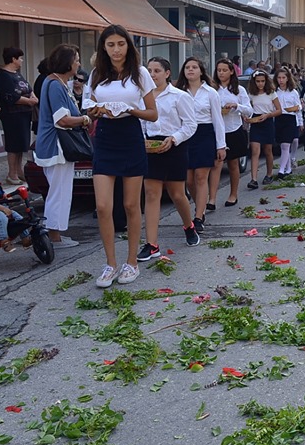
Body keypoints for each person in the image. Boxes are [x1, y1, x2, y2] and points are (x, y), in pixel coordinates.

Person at [85, 25, 158, 288]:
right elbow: (89, 105)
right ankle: (110, 264)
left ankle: (132, 262)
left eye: (120, 44)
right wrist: (96, 111)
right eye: (110, 45)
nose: (116, 50)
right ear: (103, 48)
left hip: (130, 134)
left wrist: (131, 110)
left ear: (129, 45)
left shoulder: (140, 74)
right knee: (103, 206)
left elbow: (153, 113)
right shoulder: (97, 74)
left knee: (130, 204)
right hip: (104, 135)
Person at [140, 57, 200, 262]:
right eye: (149, 70)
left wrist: (174, 139)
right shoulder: (142, 97)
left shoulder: (179, 96)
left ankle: (189, 226)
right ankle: (152, 244)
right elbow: (139, 122)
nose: (152, 74)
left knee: (177, 194)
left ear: (167, 73)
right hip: (150, 147)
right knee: (151, 193)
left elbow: (191, 125)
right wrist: (142, 141)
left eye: (157, 70)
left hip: (174, 145)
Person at [36, 43, 89, 248]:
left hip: (55, 147)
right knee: (59, 192)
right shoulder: (56, 85)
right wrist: (84, 120)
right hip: (56, 147)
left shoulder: (57, 83)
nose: (78, 64)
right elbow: (62, 120)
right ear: (67, 63)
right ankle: (54, 236)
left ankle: (54, 233)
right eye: (76, 59)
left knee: (60, 191)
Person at [175, 57, 226, 232]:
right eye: (187, 67)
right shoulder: (179, 91)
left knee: (200, 177)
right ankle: (200, 206)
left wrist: (221, 145)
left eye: (194, 67)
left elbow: (218, 120)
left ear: (201, 71)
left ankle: (198, 216)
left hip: (205, 134)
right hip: (185, 135)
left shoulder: (211, 92)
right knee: (188, 180)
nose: (190, 70)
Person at [0, 46, 38, 185]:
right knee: (13, 144)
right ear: (13, 59)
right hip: (12, 114)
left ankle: (19, 171)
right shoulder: (3, 75)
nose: (22, 60)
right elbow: (10, 96)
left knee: (21, 144)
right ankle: (11, 173)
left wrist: (33, 97)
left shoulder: (17, 74)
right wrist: (29, 101)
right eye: (20, 58)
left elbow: (28, 88)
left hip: (24, 114)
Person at [213, 58, 252, 206]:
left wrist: (236, 106)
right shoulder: (212, 88)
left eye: (224, 70)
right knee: (216, 164)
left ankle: (233, 194)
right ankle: (212, 197)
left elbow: (249, 110)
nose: (221, 73)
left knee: (233, 163)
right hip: (216, 130)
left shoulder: (239, 90)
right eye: (219, 70)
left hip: (233, 128)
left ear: (231, 71)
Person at [246, 70, 281, 188]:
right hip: (255, 121)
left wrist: (268, 115)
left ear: (266, 81)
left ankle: (269, 174)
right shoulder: (251, 94)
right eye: (257, 81)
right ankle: (253, 179)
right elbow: (247, 108)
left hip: (267, 121)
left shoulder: (271, 93)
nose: (260, 84)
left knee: (268, 150)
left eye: (262, 81)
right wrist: (246, 117)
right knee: (255, 150)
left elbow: (279, 110)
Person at [274, 67, 302, 178]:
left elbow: (298, 106)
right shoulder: (274, 92)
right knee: (283, 145)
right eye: (279, 78)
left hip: (290, 118)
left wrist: (300, 121)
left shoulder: (293, 92)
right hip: (279, 118)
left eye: (283, 78)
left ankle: (281, 170)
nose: (281, 80)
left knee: (286, 144)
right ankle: (288, 168)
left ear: (287, 79)